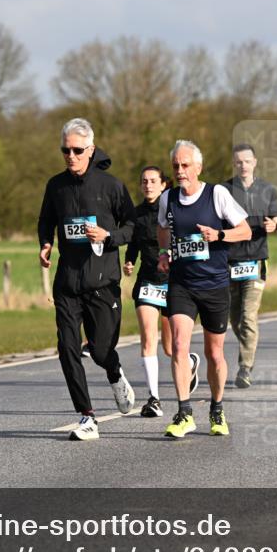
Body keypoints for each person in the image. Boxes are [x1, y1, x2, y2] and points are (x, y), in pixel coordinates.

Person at [38, 118, 136, 441]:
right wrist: (46, 244)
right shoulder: (56, 186)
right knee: (67, 347)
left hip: (102, 282)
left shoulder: (111, 186)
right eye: (65, 150)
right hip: (68, 283)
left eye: (77, 150)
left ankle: (114, 371)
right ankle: (87, 416)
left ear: (90, 150)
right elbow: (46, 221)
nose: (70, 156)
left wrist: (109, 236)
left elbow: (132, 227)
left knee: (100, 349)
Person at [157, 140, 250, 438]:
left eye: (185, 165)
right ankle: (184, 412)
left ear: (198, 167)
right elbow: (162, 227)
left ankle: (217, 409)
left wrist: (219, 233)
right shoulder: (167, 198)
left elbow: (245, 230)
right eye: (175, 166)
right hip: (181, 284)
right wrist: (163, 252)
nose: (180, 171)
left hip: (214, 284)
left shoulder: (216, 194)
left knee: (215, 353)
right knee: (180, 346)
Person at [124, 166, 200, 417]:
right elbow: (134, 242)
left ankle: (189, 362)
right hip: (147, 281)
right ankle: (154, 399)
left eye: (152, 181)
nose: (147, 185)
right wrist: (129, 260)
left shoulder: (173, 209)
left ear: (164, 184)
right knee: (148, 338)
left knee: (171, 348)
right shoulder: (135, 213)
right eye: (144, 181)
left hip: (173, 282)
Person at [223, 143, 277, 389]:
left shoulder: (268, 189)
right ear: (234, 164)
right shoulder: (223, 190)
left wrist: (274, 225)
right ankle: (249, 343)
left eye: (247, 161)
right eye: (238, 162)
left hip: (256, 260)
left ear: (255, 162)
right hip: (230, 262)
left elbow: (276, 217)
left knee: (248, 316)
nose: (243, 165)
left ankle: (245, 367)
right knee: (234, 320)